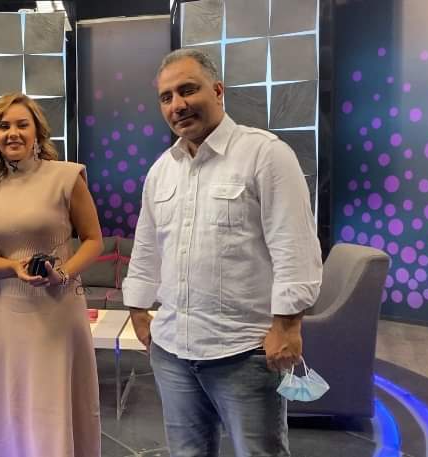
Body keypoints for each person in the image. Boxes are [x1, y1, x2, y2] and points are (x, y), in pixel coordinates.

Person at [122, 49, 323, 457]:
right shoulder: (161, 170)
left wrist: (288, 326)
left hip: (244, 352)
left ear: (217, 91)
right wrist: (138, 311)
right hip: (172, 353)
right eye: (166, 97)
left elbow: (294, 246)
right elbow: (147, 247)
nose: (177, 105)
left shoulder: (265, 154)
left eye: (188, 90)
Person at [0, 93, 104, 457]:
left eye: (21, 125)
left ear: (37, 132)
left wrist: (63, 273)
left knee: (54, 402)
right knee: (16, 403)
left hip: (59, 308)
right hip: (11, 314)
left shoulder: (66, 176)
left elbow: (93, 240)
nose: (12, 133)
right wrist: (12, 267)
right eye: (3, 126)